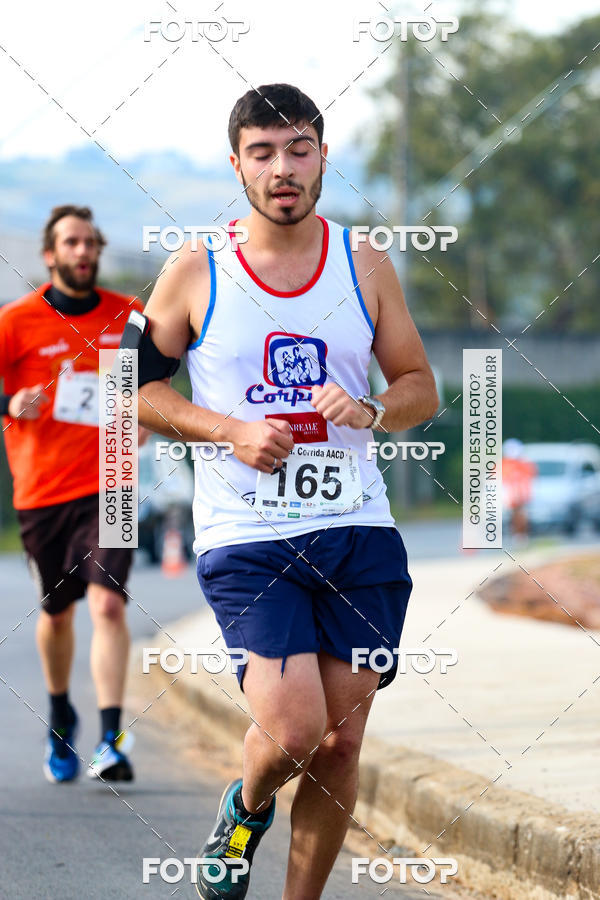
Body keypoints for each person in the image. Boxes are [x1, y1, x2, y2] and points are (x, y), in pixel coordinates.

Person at [131, 83, 438, 899]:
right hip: (246, 536)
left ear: (323, 157)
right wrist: (229, 431)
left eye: (299, 148)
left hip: (359, 529)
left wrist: (374, 407)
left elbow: (420, 384)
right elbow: (136, 390)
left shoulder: (363, 261)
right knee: (296, 731)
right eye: (262, 153)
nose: (283, 168)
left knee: (340, 745)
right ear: (236, 165)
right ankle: (245, 802)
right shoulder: (195, 268)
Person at [0, 205, 143, 783]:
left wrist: (151, 414)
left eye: (91, 242)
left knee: (108, 603)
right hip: (42, 491)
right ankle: (61, 717)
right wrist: (10, 404)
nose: (83, 252)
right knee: (57, 615)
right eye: (71, 243)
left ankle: (112, 737)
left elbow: (147, 384)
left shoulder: (129, 315)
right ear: (50, 255)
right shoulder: (16, 322)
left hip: (112, 480)